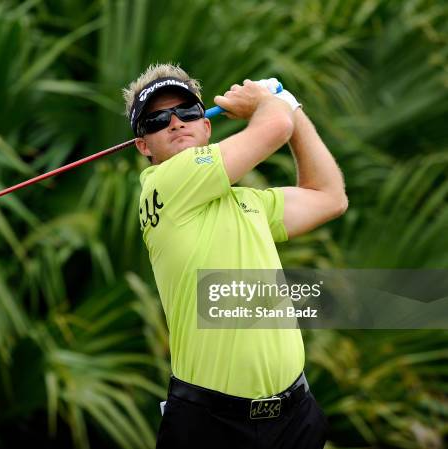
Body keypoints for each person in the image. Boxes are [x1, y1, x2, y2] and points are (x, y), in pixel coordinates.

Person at [123, 63, 348, 449]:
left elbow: (330, 197)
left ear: (206, 125)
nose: (176, 122)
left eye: (188, 111)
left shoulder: (247, 202)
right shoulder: (164, 183)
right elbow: (273, 129)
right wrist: (268, 103)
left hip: (294, 418)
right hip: (213, 425)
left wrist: (290, 106)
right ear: (144, 145)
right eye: (158, 119)